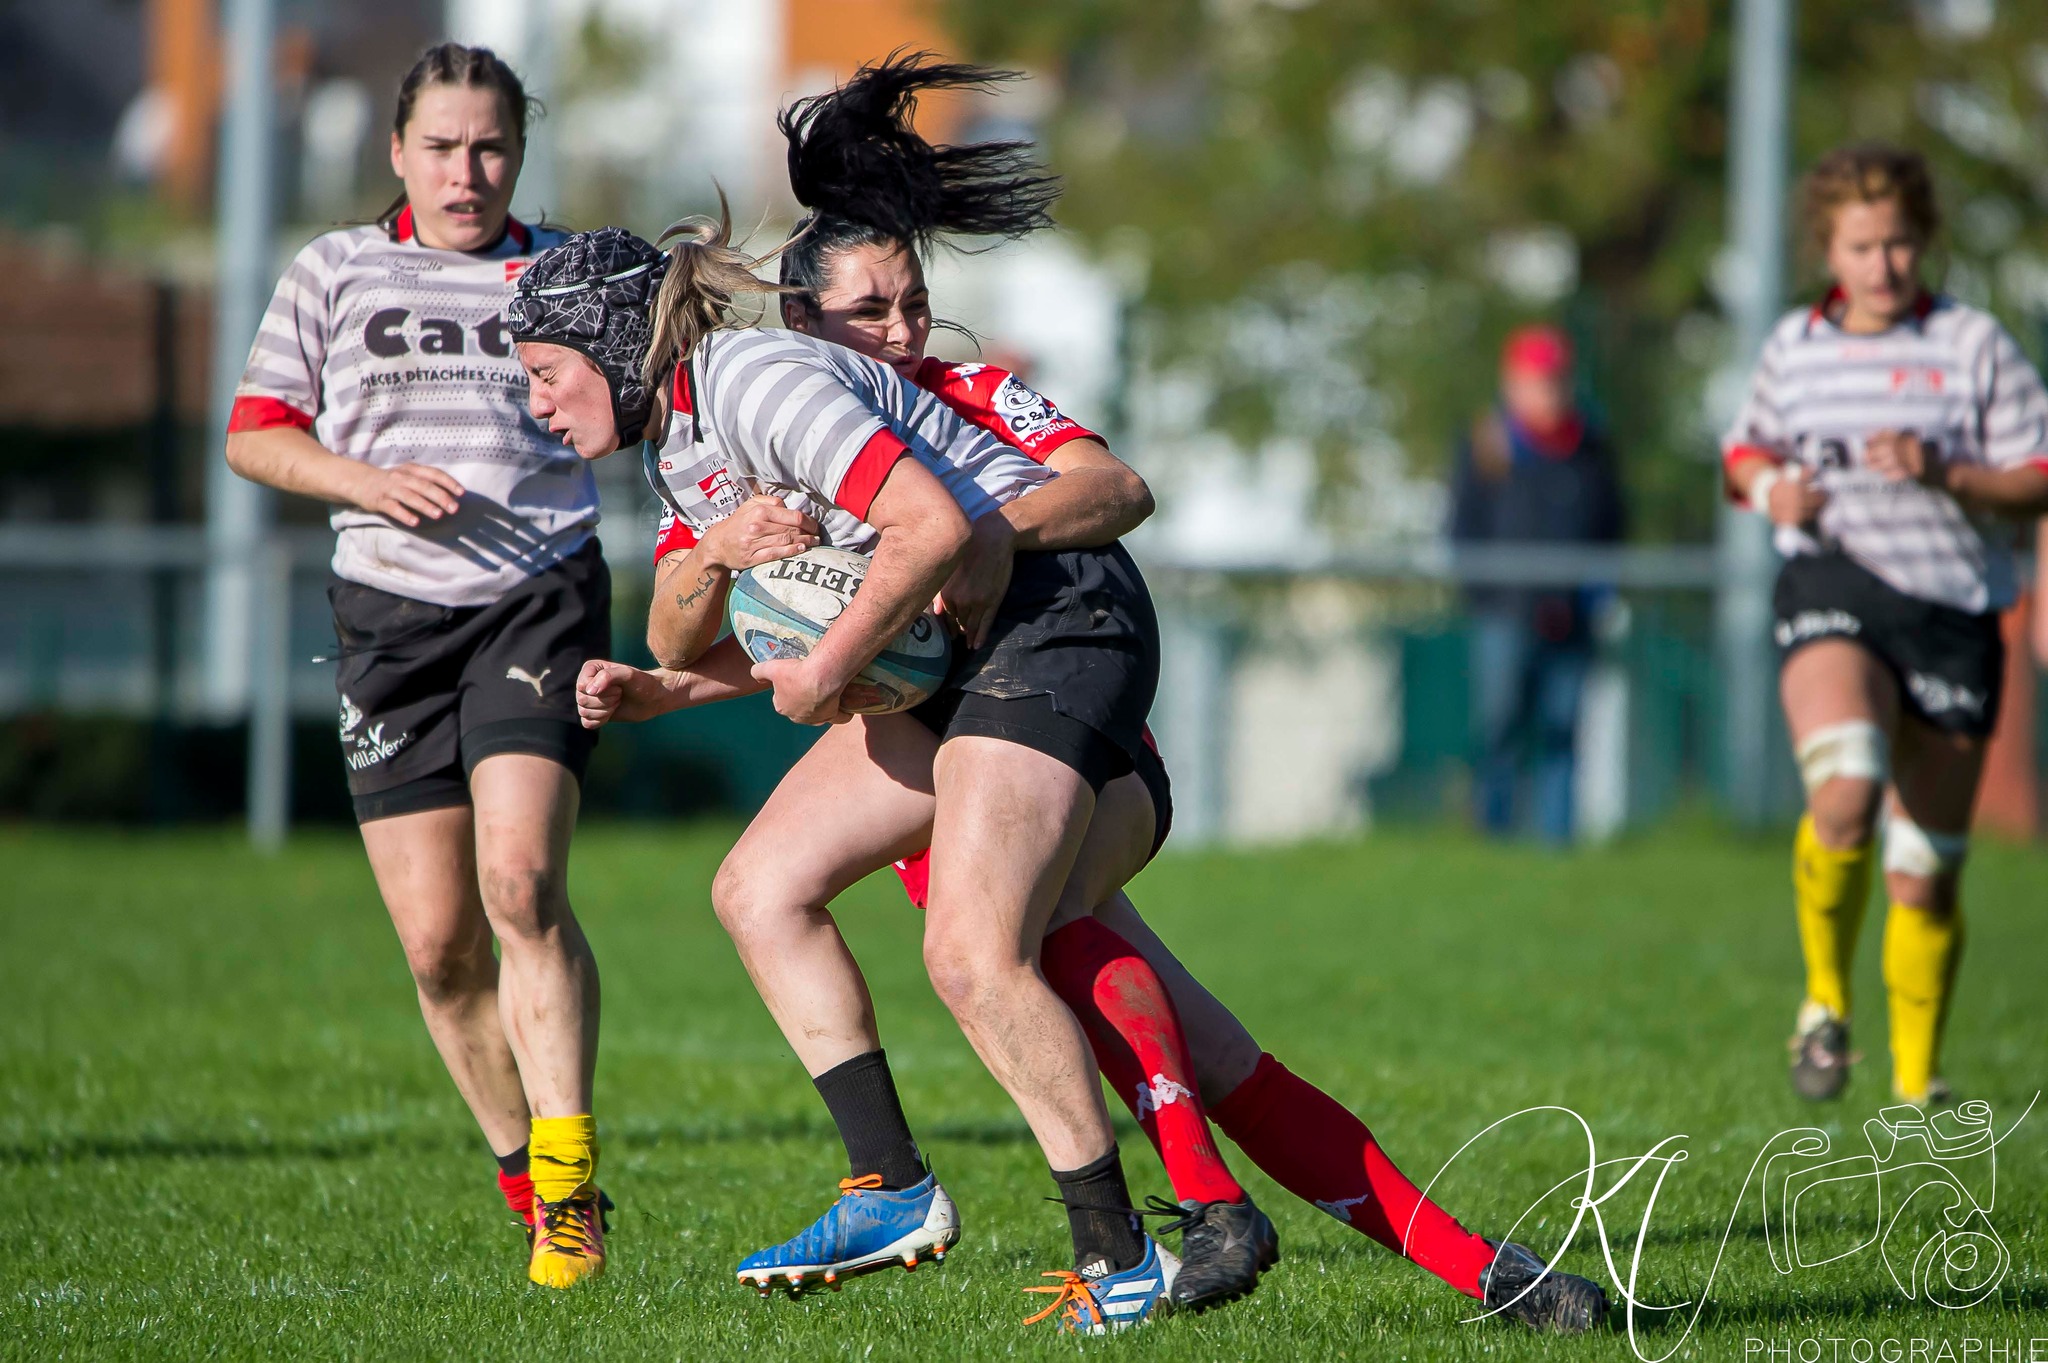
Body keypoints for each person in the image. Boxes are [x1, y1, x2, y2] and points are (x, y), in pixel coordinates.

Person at [570, 54, 1607, 1335]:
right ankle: (1490, 1275)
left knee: (1013, 947)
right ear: (804, 326)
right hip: (943, 722)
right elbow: (719, 616)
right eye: (867, 312)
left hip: (1061, 703)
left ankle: (1183, 1212)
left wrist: (969, 523)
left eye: (911, 301)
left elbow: (1110, 490)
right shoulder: (757, 430)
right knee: (1166, 1030)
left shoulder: (951, 400)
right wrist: (694, 626)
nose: (899, 331)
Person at [222, 43, 613, 1288]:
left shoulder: (560, 272)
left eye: (490, 146)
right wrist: (366, 482)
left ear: (519, 153)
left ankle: (569, 1197)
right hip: (388, 620)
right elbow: (256, 437)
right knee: (442, 948)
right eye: (441, 147)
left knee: (518, 886)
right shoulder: (332, 268)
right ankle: (520, 1174)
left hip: (536, 598)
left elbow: (649, 404)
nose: (467, 170)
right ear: (397, 153)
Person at [1722, 144, 2048, 1106]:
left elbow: (2037, 478)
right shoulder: (1795, 347)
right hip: (1835, 583)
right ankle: (1824, 1003)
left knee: (1925, 873)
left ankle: (1916, 1080)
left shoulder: (1973, 345)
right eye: (1862, 245)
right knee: (1847, 788)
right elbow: (1745, 453)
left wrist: (1947, 471)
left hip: (1951, 609)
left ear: (1925, 242)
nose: (1883, 265)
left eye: (1900, 242)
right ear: (1830, 247)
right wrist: (1774, 487)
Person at [1449, 325, 1625, 844]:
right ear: (1512, 384)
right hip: (1504, 611)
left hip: (1571, 614)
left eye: (1555, 380)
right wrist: (1483, 598)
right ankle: (1495, 837)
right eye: (1535, 380)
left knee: (1563, 727)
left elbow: (1613, 522)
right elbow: (1463, 529)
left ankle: (1556, 843)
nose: (1547, 391)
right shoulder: (1488, 445)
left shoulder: (1590, 446)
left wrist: (1596, 592)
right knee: (1500, 725)